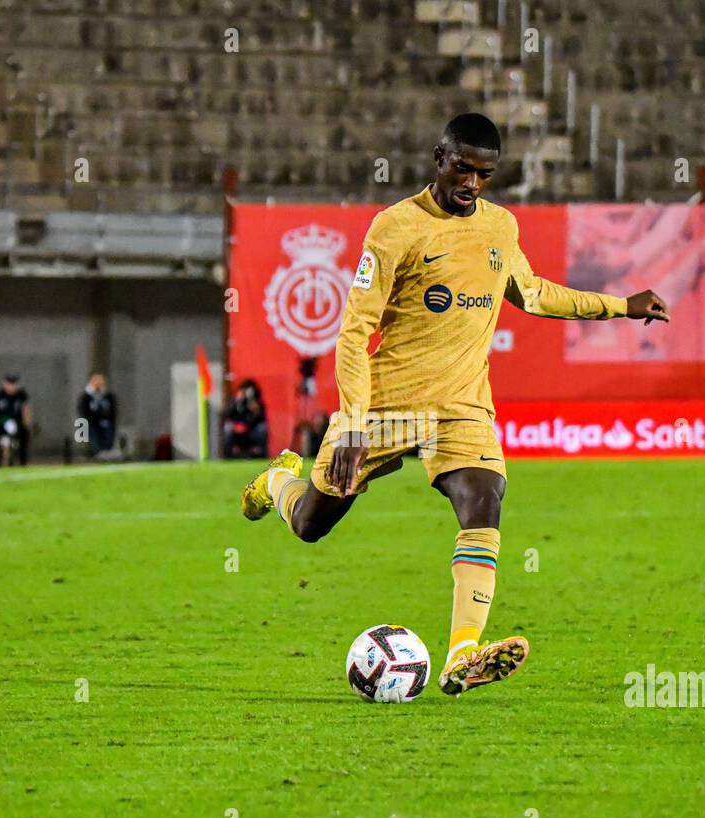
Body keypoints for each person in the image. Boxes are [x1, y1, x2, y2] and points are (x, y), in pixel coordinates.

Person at [240, 113, 670, 696]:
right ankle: (277, 483)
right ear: (439, 157)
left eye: (484, 175)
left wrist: (621, 305)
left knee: (484, 496)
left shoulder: (500, 228)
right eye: (463, 169)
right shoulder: (395, 229)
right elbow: (353, 331)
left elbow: (535, 294)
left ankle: (462, 652)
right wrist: (355, 424)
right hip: (387, 403)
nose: (472, 184)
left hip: (461, 405)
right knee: (312, 524)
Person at [0, 374, 32, 466]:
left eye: (14, 384)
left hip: (17, 422)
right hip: (1, 423)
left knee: (24, 434)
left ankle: (23, 461)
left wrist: (26, 424)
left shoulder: (21, 395)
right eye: (9, 384)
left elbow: (26, 409)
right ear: (5, 384)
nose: (12, 387)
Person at [222, 379, 268, 459]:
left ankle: (260, 454)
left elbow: (260, 418)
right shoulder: (236, 402)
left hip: (251, 429)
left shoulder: (257, 403)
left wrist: (255, 412)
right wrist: (237, 402)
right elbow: (228, 414)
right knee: (227, 427)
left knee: (262, 428)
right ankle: (228, 454)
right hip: (237, 430)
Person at [78, 372, 118, 459]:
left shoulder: (108, 396)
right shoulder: (86, 397)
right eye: (96, 380)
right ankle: (99, 453)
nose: (99, 383)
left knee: (107, 443)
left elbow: (112, 411)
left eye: (100, 380)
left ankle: (107, 453)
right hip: (93, 424)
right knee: (96, 443)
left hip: (106, 424)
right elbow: (84, 410)